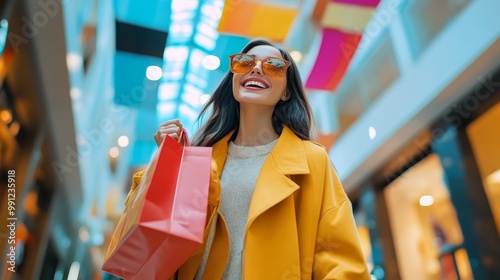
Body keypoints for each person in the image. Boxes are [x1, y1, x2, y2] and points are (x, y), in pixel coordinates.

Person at [126, 39, 370, 279]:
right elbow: (155, 245)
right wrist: (168, 164)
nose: (256, 68)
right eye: (244, 62)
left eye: (273, 65)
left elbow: (339, 259)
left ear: (286, 92)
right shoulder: (200, 159)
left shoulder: (310, 161)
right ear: (233, 79)